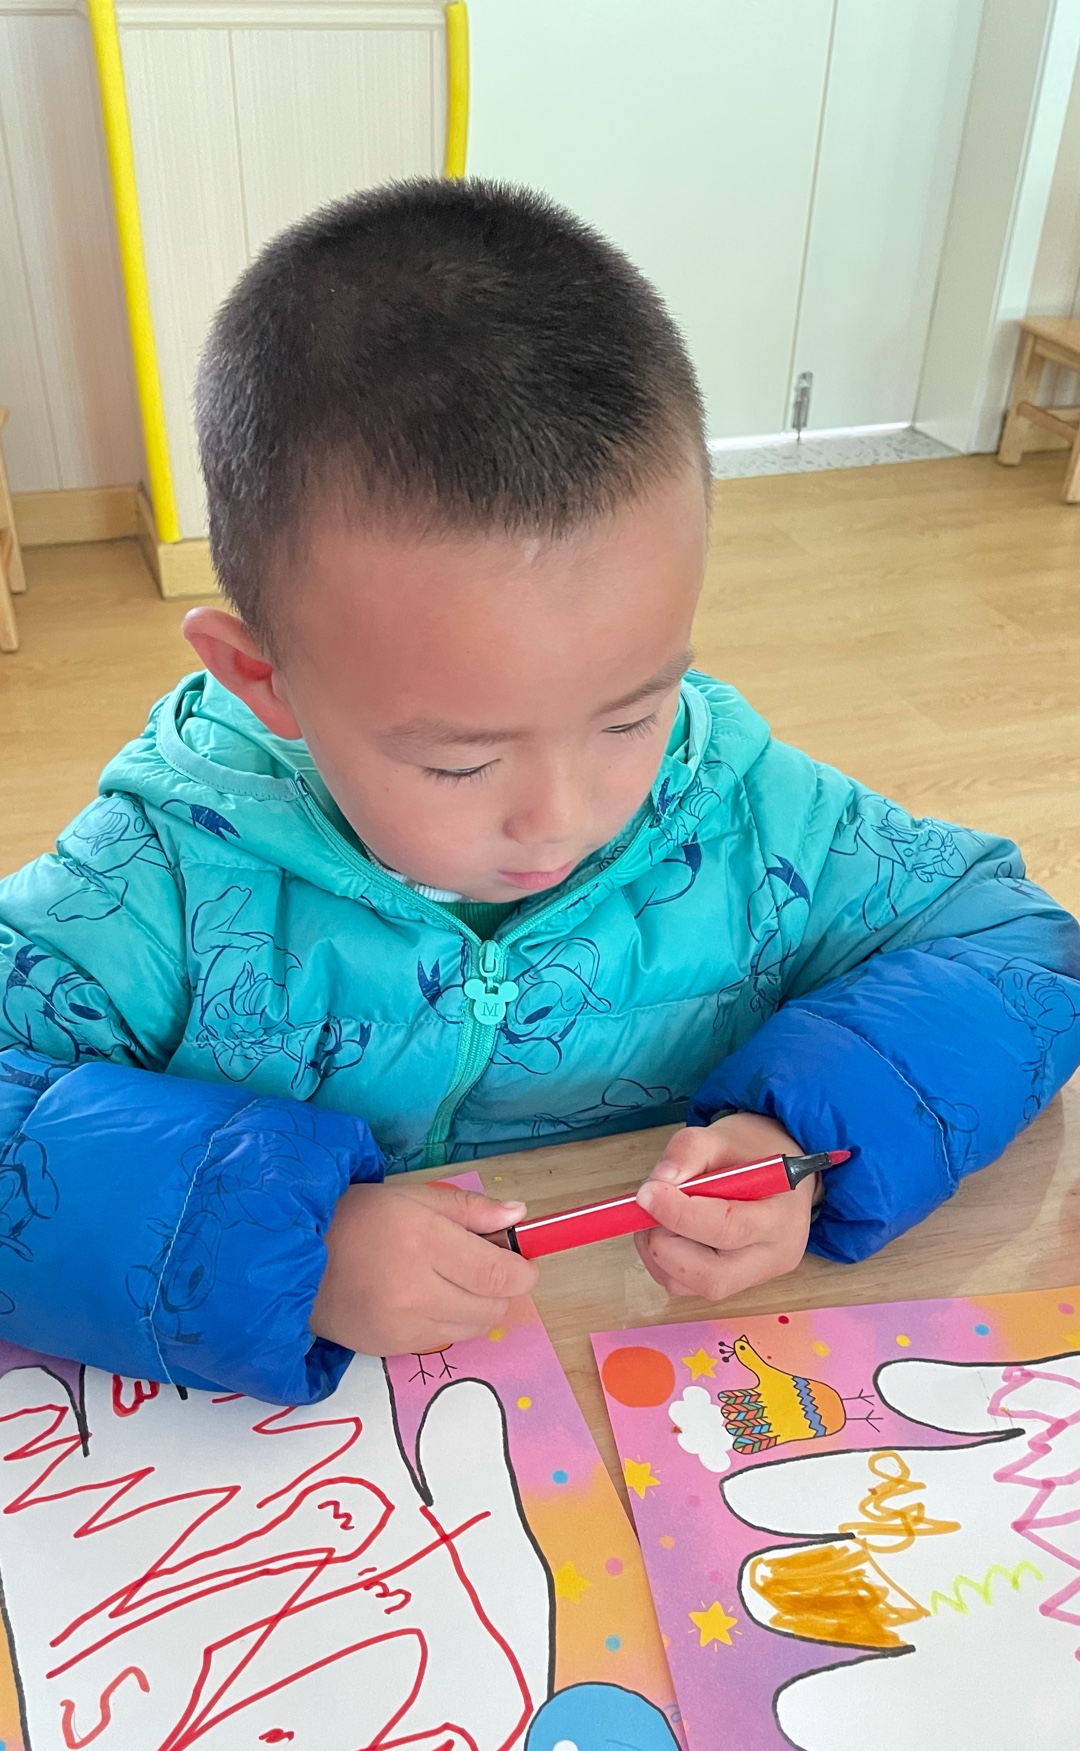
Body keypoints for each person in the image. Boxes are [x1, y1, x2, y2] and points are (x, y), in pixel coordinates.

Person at [1, 180, 1077, 1406]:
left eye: (630, 714)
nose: (562, 816)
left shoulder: (744, 813)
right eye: (459, 762)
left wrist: (806, 1141)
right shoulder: (159, 876)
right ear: (264, 677)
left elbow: (1016, 947)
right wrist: (287, 1249)